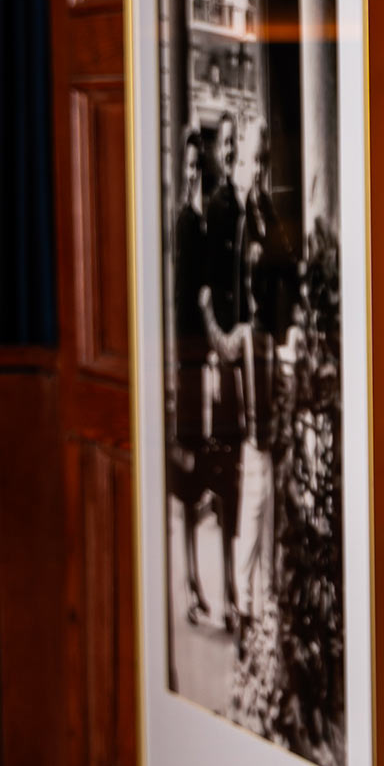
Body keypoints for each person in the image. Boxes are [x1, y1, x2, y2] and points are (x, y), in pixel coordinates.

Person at [234, 117, 298, 632]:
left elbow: (287, 274)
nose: (258, 169)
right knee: (256, 477)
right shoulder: (241, 218)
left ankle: (264, 592)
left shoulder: (265, 214)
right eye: (253, 159)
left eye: (264, 161)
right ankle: (246, 593)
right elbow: (235, 290)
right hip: (252, 353)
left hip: (270, 349)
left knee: (270, 474)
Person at [196, 109, 245, 627]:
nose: (230, 151)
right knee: (226, 477)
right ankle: (229, 591)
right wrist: (220, 346)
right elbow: (206, 297)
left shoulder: (246, 204)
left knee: (242, 474)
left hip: (245, 362)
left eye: (236, 143)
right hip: (224, 364)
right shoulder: (216, 206)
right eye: (226, 144)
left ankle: (241, 589)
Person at [169, 128, 213, 624]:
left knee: (198, 475)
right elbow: (185, 298)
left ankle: (193, 583)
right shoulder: (185, 222)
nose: (192, 173)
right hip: (186, 365)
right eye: (188, 165)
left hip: (199, 365)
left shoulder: (198, 223)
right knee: (185, 480)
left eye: (197, 167)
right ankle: (188, 585)